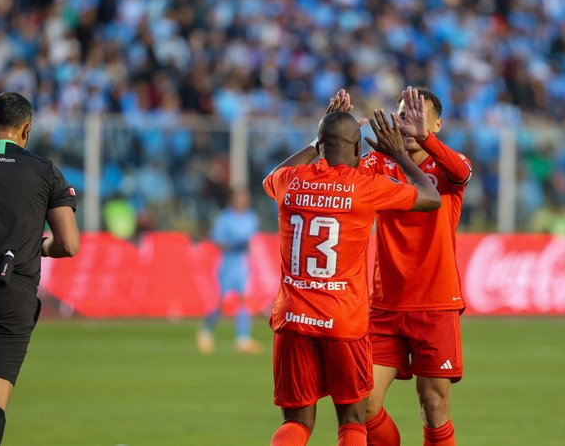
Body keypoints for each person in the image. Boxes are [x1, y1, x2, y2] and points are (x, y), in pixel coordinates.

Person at [262, 92, 441, 446]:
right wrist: (399, 155)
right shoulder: (365, 188)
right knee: (352, 419)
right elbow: (431, 197)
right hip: (344, 320)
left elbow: (273, 174)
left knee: (297, 422)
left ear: (322, 146)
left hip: (294, 319)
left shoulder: (291, 182)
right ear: (359, 151)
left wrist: (317, 142)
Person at [359, 87, 473, 446]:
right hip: (385, 305)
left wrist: (422, 137)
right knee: (363, 406)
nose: (407, 123)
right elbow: (338, 175)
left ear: (436, 124)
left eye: (417, 115)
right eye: (403, 115)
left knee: (433, 404)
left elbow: (461, 174)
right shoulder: (378, 164)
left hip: (435, 304)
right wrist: (333, 130)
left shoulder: (449, 166)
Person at [0, 92, 80, 446]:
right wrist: (39, 246)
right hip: (11, 291)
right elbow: (69, 244)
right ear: (26, 129)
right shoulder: (43, 171)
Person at [197, 187, 262, 355]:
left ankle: (243, 338)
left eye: (245, 197)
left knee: (244, 300)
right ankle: (206, 331)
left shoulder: (251, 217)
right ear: (232, 199)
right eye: (240, 197)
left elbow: (251, 240)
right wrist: (234, 244)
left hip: (242, 263)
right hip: (227, 262)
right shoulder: (224, 218)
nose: (243, 201)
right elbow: (217, 241)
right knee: (219, 300)